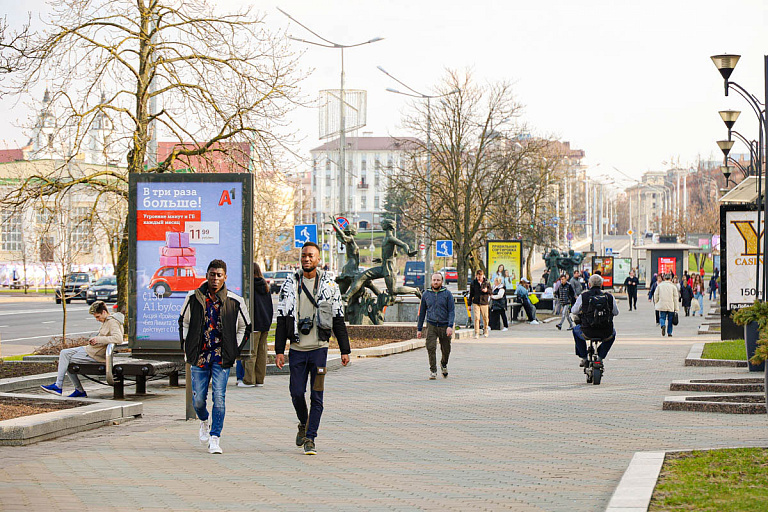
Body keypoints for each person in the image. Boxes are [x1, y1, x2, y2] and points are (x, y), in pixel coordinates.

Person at [275, 242, 350, 456]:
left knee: (317, 396)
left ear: (318, 260)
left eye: (311, 256)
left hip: (319, 348)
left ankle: (311, 438)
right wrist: (280, 350)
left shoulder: (329, 285)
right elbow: (282, 319)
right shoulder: (290, 284)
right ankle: (303, 422)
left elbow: (338, 318)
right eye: (304, 255)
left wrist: (345, 350)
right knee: (296, 392)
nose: (307, 259)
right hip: (298, 348)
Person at [180, 259, 251, 454]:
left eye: (219, 275)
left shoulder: (235, 301)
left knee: (219, 397)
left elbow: (245, 327)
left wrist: (233, 348)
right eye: (212, 274)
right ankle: (204, 419)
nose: (215, 278)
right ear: (207, 276)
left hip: (221, 357)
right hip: (199, 356)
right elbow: (184, 322)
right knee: (198, 400)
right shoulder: (193, 298)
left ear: (225, 277)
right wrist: (187, 347)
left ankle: (215, 437)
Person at [41, 301, 124, 398]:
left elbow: (119, 338)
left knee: (65, 361)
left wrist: (98, 339)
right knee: (64, 353)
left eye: (98, 316)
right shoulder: (107, 321)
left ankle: (62, 387)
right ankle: (70, 389)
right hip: (90, 350)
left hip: (95, 355)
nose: (97, 319)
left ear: (104, 312)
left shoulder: (112, 322)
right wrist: (95, 340)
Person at [236, 262, 273, 388]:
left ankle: (249, 380)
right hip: (265, 323)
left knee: (251, 352)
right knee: (262, 353)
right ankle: (259, 379)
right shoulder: (265, 285)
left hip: (254, 323)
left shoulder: (249, 287)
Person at [571, 274, 618, 367]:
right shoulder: (609, 296)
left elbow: (574, 311)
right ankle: (600, 357)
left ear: (589, 284)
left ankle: (584, 357)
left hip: (587, 330)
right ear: (601, 285)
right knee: (613, 334)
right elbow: (616, 312)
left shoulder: (583, 296)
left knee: (575, 330)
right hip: (605, 331)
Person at [417, 272, 455, 380]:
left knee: (446, 349)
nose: (436, 282)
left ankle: (443, 364)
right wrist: (419, 329)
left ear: (441, 281)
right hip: (431, 325)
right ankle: (433, 370)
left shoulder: (447, 294)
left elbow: (451, 311)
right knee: (430, 347)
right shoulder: (426, 294)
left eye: (438, 280)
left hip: (444, 325)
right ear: (431, 281)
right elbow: (422, 312)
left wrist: (450, 326)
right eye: (434, 280)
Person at [654, 272, 680, 337]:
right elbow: (675, 297)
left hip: (662, 304)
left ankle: (662, 325)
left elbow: (656, 295)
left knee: (662, 317)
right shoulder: (673, 286)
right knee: (670, 319)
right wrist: (676, 308)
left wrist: (657, 302)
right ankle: (669, 332)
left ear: (664, 278)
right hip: (671, 305)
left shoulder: (660, 285)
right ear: (670, 279)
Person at [469, 269, 491, 338]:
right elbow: (471, 294)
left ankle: (486, 331)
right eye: (478, 277)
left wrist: (486, 290)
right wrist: (469, 304)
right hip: (476, 302)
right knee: (476, 318)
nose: (479, 278)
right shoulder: (473, 283)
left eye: (480, 277)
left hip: (484, 302)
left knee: (485, 318)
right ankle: (477, 333)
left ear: (483, 276)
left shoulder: (486, 282)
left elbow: (491, 292)